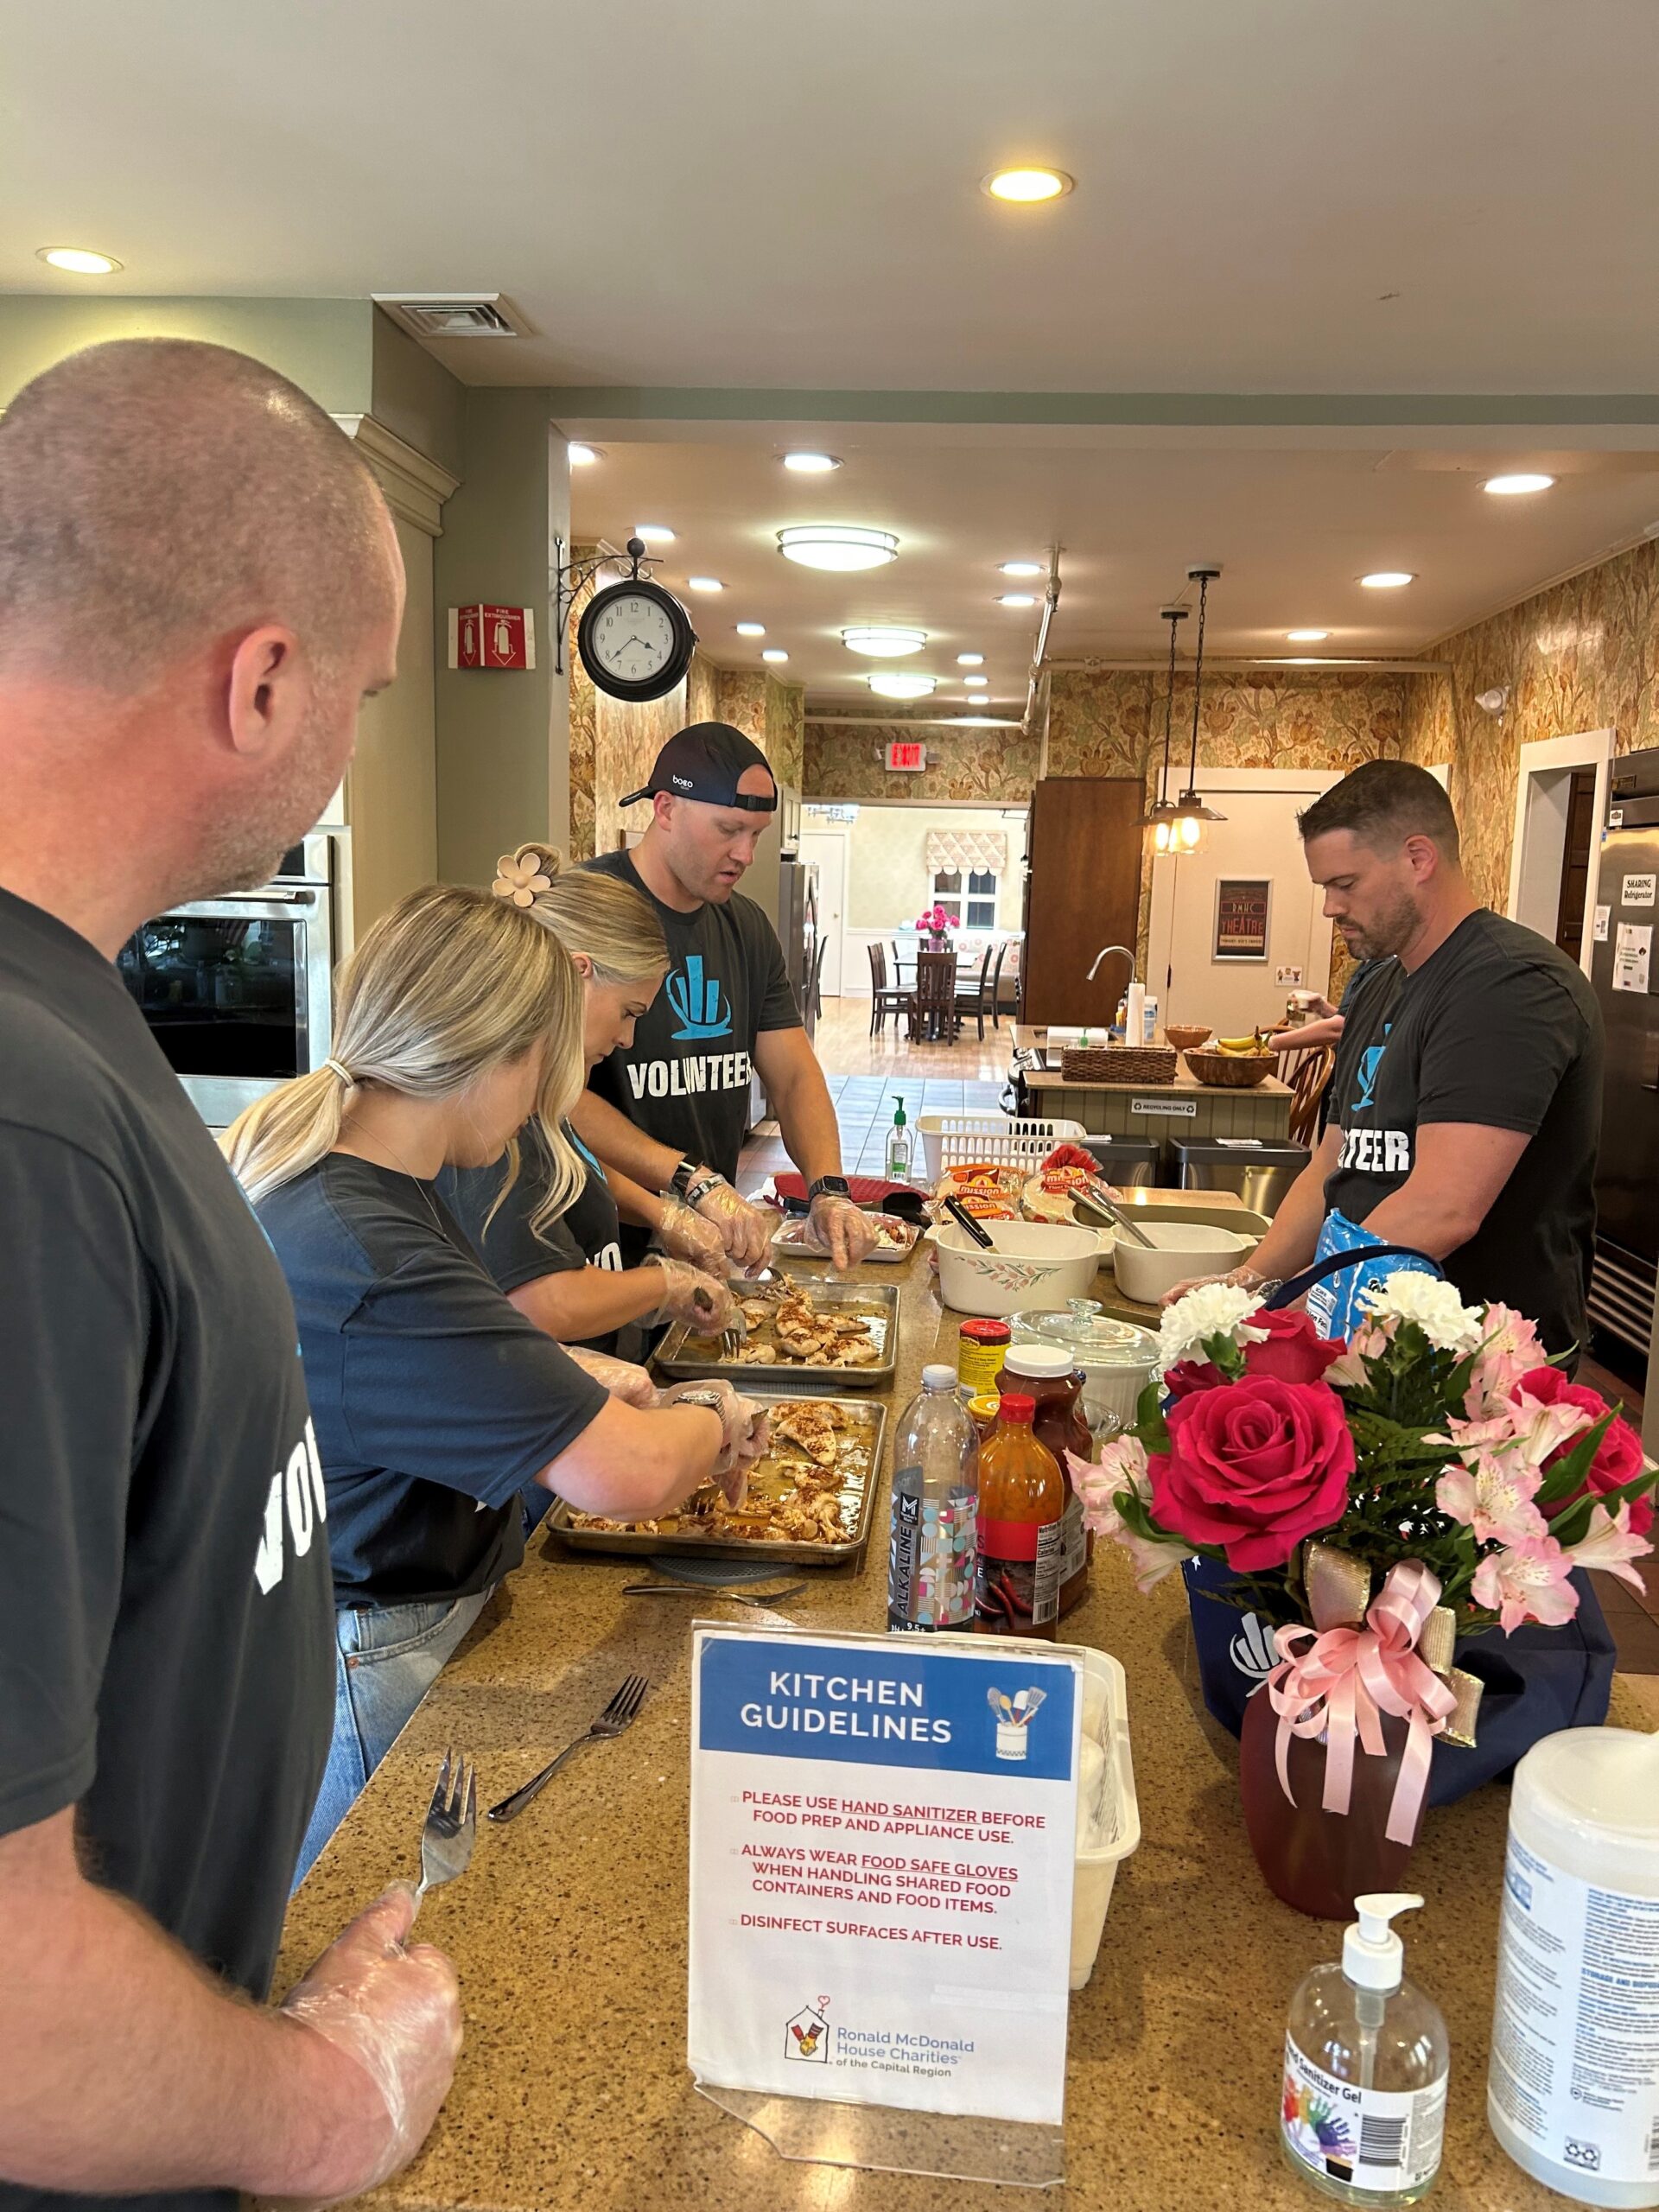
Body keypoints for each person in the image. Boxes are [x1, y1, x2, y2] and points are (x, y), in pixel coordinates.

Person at [0, 338, 459, 2209]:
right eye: (356, 691)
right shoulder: (21, 1120)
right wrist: (322, 2102)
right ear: (262, 679)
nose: (350, 736)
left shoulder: (73, 1015)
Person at [222, 885, 767, 1879]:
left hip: (348, 1611)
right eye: (543, 1068)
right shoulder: (377, 1244)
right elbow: (634, 1476)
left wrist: (561, 1370)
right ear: (500, 1054)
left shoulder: (350, 1181)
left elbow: (409, 1365)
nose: (539, 1105)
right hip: (375, 1638)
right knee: (366, 1917)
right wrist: (713, 1410)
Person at [1168, 760, 1604, 1357]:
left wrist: (1295, 1311)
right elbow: (1332, 1167)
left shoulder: (1508, 986)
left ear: (1418, 859)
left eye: (1344, 884)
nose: (1329, 907)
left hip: (1476, 1363)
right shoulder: (1379, 983)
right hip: (1363, 1341)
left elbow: (1442, 1209)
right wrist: (1250, 1285)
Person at [571, 722, 879, 1272]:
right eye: (729, 829)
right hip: (597, 1239)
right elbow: (552, 1095)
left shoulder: (747, 927)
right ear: (665, 808)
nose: (746, 853)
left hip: (707, 1239)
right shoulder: (589, 911)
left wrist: (828, 1190)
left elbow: (793, 1076)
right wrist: (688, 1181)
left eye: (756, 834)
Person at [441, 847, 739, 1362]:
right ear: (579, 973)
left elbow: (573, 1168)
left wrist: (660, 1212)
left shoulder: (541, 1096)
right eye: (628, 1012)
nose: (628, 1037)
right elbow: (545, 1302)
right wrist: (663, 1285)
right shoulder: (494, 1110)